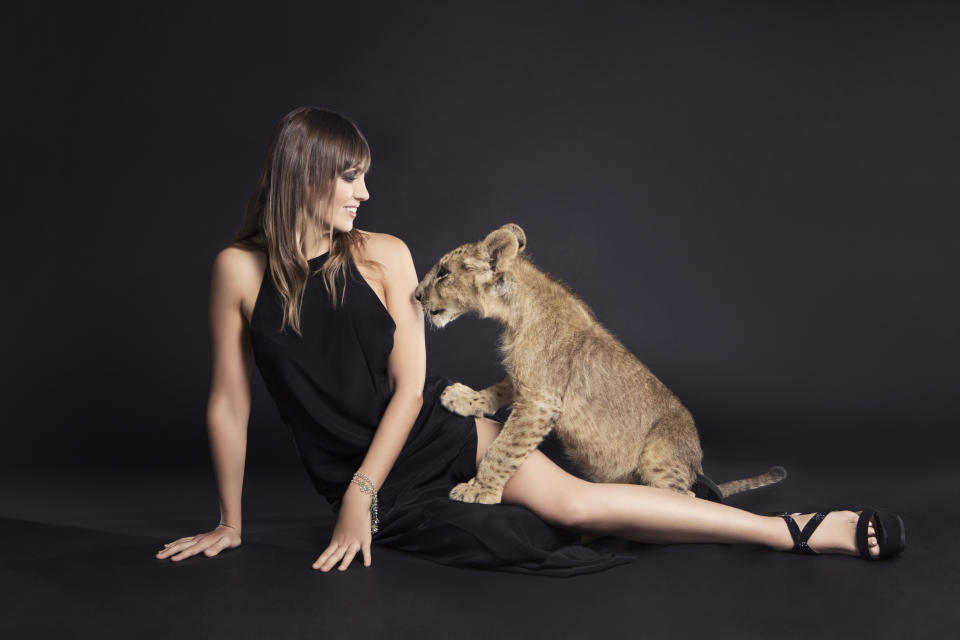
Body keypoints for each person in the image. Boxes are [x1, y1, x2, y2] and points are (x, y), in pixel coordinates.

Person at [155, 107, 904, 575]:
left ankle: (795, 530)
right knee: (512, 540)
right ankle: (695, 518)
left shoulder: (384, 254)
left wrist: (362, 491)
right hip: (363, 482)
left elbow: (413, 389)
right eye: (350, 177)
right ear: (305, 174)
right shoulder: (238, 270)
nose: (364, 194)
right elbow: (229, 401)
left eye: (365, 178)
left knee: (578, 509)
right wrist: (230, 522)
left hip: (427, 443)